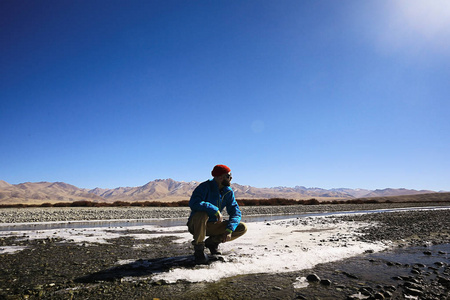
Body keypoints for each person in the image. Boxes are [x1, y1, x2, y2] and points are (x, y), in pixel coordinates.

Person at [187, 164, 247, 264]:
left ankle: (212, 242)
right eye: (228, 176)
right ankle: (199, 249)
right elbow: (194, 203)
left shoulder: (228, 192)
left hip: (214, 226)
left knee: (241, 227)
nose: (231, 178)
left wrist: (229, 229)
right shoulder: (204, 187)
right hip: (197, 225)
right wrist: (214, 210)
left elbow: (235, 211)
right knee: (202, 214)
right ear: (220, 177)